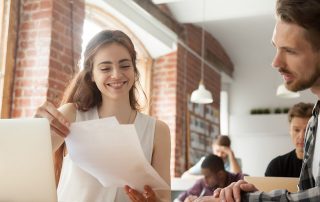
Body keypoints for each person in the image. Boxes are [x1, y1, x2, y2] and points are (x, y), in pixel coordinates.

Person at [35, 30, 171, 202]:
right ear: (92, 75)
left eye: (125, 65)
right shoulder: (72, 115)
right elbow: (26, 160)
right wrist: (35, 129)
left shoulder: (158, 131)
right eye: (106, 68)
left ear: (135, 70)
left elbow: (164, 198)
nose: (116, 74)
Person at [210, 0, 320, 201]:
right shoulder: (315, 120)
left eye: (290, 51)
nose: (275, 62)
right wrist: (252, 194)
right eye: (276, 48)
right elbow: (305, 193)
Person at [265, 102, 313, 177]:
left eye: (308, 130)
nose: (302, 136)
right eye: (296, 130)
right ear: (290, 130)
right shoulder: (277, 165)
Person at [176, 154, 244, 202]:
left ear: (220, 174)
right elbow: (177, 200)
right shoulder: (201, 183)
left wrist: (212, 200)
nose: (204, 179)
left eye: (207, 176)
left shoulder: (239, 178)